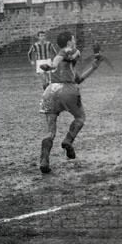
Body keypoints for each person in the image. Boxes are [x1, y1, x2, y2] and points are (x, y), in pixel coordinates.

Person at [38, 32, 102, 174]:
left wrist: (93, 67)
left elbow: (78, 79)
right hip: (68, 89)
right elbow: (62, 57)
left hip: (50, 91)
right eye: (73, 39)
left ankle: (44, 160)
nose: (74, 41)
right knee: (80, 117)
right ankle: (68, 140)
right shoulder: (70, 50)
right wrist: (52, 65)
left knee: (50, 131)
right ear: (68, 42)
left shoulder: (66, 62)